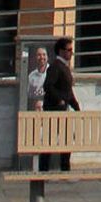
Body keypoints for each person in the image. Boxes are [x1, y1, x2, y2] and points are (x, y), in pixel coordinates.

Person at [40, 36, 80, 171]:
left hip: (62, 111)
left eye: (71, 50)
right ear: (61, 51)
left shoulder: (64, 67)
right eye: (69, 50)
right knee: (49, 141)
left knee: (66, 140)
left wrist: (76, 106)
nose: (71, 53)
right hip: (54, 110)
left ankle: (65, 169)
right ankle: (44, 171)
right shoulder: (56, 67)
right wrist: (60, 100)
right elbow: (48, 86)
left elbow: (68, 90)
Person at [25, 44, 48, 112]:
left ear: (47, 57)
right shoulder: (31, 76)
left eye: (44, 54)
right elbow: (29, 96)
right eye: (39, 55)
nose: (42, 57)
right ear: (35, 57)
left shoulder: (53, 72)